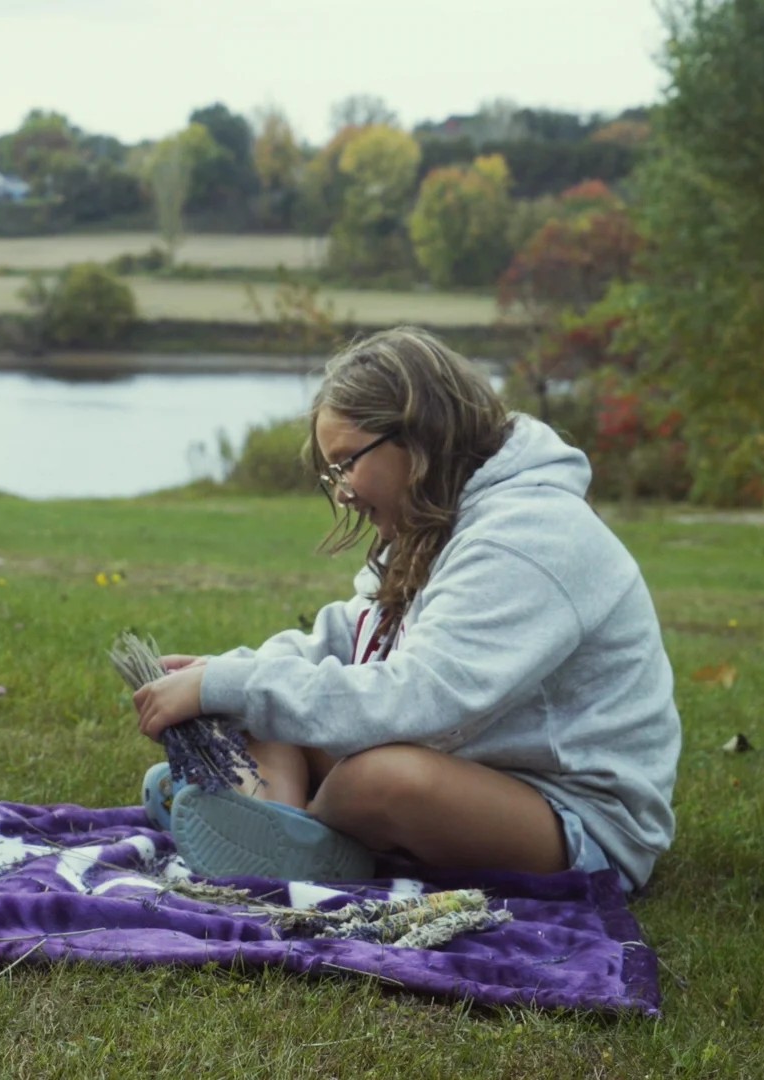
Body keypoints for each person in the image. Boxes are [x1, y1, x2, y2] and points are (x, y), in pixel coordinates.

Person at [131, 327, 680, 892]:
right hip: (469, 760)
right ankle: (272, 821)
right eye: (332, 471)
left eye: (347, 462)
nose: (342, 491)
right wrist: (224, 675)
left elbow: (420, 699)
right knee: (270, 704)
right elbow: (348, 636)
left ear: (418, 437)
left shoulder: (526, 537)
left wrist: (234, 687)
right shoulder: (432, 521)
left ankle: (279, 821)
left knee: (377, 781)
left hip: (577, 820)